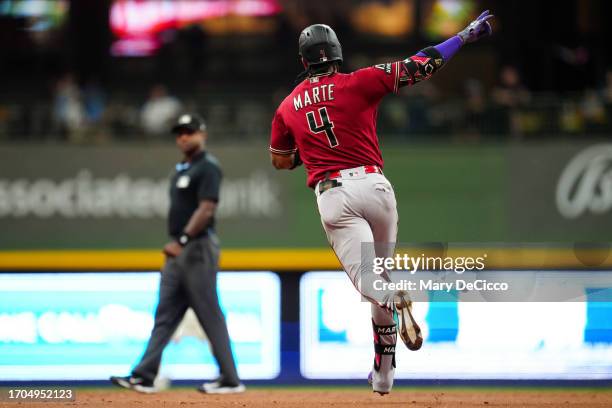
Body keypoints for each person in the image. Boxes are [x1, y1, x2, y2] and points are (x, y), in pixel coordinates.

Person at [269, 12, 493, 395]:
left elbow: (280, 159)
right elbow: (420, 65)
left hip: (335, 194)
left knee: (371, 284)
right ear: (337, 53)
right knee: (382, 277)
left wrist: (309, 151)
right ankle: (384, 378)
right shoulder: (360, 80)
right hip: (376, 187)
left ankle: (393, 296)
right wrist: (462, 37)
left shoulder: (288, 106)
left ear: (304, 61)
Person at [111, 113, 244, 394]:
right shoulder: (181, 169)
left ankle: (230, 379)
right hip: (177, 251)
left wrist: (183, 239)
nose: (183, 136)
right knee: (165, 315)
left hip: (196, 247)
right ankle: (144, 375)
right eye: (180, 132)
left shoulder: (207, 167)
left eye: (189, 131)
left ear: (202, 134)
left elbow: (207, 208)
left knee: (209, 314)